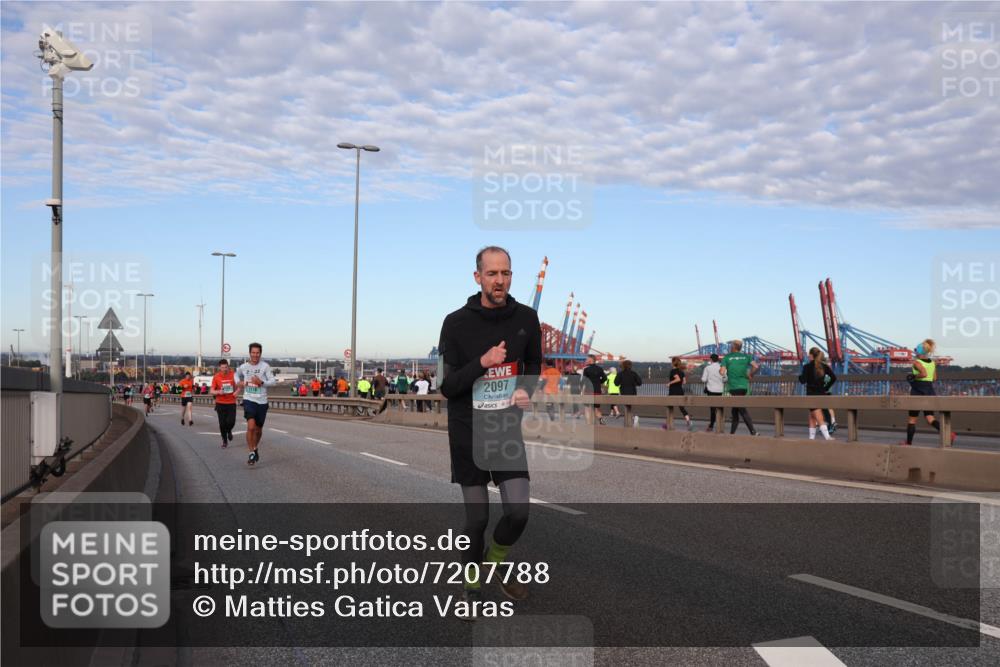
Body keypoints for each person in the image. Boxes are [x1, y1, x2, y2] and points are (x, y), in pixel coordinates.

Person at [439, 245, 541, 618]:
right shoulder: (455, 323)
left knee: (519, 513)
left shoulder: (527, 318)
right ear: (478, 276)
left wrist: (525, 389)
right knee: (477, 519)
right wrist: (482, 362)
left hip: (505, 429)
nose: (500, 281)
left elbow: (534, 363)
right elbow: (447, 386)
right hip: (468, 430)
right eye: (492, 273)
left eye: (506, 273)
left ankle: (494, 561)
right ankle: (472, 585)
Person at [901, 339, 956, 446]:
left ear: (919, 352)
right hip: (929, 390)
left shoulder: (917, 363)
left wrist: (913, 376)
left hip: (917, 391)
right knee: (930, 418)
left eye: (915, 349)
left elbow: (924, 374)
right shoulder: (932, 363)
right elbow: (934, 378)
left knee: (912, 419)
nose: (914, 351)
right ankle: (949, 434)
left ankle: (908, 443)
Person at [235, 342, 278, 466]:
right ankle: (251, 452)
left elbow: (273, 381)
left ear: (260, 354)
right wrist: (239, 382)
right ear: (249, 353)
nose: (255, 355)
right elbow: (235, 374)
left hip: (262, 402)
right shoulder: (244, 366)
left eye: (257, 353)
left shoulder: (265, 366)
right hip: (249, 399)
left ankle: (255, 447)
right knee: (251, 427)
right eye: (253, 353)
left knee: (258, 430)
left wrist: (261, 382)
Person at [720, 340, 758, 435]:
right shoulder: (746, 356)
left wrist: (722, 373)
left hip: (733, 387)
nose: (730, 347)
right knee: (735, 410)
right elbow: (756, 366)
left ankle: (753, 432)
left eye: (730, 346)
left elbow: (722, 372)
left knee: (742, 409)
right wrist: (750, 375)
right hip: (744, 386)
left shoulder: (727, 357)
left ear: (733, 347)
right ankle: (732, 434)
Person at [799, 347, 836, 440]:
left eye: (809, 354)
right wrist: (826, 387)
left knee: (818, 416)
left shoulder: (807, 367)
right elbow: (833, 377)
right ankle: (811, 438)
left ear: (811, 355)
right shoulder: (824, 366)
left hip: (811, 394)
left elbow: (803, 380)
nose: (808, 356)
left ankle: (827, 437)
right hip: (822, 394)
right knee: (812, 416)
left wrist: (799, 376)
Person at [211, 359, 238, 448]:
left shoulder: (233, 375)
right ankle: (224, 440)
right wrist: (219, 392)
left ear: (228, 367)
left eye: (226, 367)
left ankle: (229, 430)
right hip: (220, 403)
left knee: (231, 422)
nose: (224, 369)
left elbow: (239, 386)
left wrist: (237, 391)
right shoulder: (216, 377)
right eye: (222, 367)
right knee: (222, 424)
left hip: (231, 402)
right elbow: (212, 391)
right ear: (219, 367)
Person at [662, 357, 692, 431]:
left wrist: (669, 383)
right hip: (680, 391)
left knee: (669, 407)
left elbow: (678, 379)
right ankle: (688, 421)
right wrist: (678, 383)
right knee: (681, 407)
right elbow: (684, 382)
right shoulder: (681, 372)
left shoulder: (673, 371)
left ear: (673, 363)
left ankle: (667, 424)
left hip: (673, 391)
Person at [613, 359, 643, 427]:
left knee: (626, 407)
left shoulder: (620, 374)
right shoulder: (634, 373)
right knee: (630, 407)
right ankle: (633, 418)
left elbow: (616, 383)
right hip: (633, 392)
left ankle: (628, 422)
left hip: (624, 392)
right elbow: (640, 383)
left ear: (623, 366)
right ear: (630, 366)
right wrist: (634, 383)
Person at [701, 353, 725, 432]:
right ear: (718, 359)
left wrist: (709, 378)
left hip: (711, 390)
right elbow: (725, 379)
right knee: (720, 408)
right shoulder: (722, 367)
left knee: (712, 409)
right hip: (720, 390)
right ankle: (721, 426)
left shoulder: (707, 368)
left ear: (711, 359)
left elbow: (703, 380)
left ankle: (711, 426)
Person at [582, 355, 607, 425]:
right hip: (597, 391)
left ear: (590, 360)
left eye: (587, 359)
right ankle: (600, 418)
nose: (586, 360)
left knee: (587, 408)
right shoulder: (600, 369)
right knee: (596, 409)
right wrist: (599, 382)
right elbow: (605, 378)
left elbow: (584, 381)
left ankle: (588, 424)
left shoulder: (586, 369)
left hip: (588, 391)